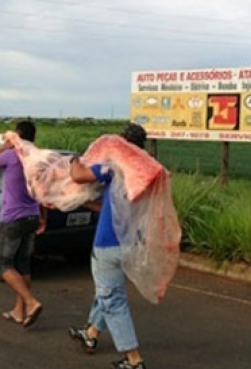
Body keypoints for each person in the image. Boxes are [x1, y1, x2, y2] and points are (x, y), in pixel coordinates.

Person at [67, 123, 148, 369]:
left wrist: (74, 160)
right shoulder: (144, 171)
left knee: (113, 299)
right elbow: (112, 206)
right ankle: (91, 333)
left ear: (122, 143)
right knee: (109, 288)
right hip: (133, 242)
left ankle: (134, 360)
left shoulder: (115, 167)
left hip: (109, 243)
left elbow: (78, 176)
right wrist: (83, 204)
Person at [0, 120, 46, 328]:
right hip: (32, 216)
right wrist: (43, 217)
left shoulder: (12, 155)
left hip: (13, 218)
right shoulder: (36, 159)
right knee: (22, 264)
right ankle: (19, 310)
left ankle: (31, 302)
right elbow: (42, 190)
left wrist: (4, 147)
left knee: (3, 265)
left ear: (16, 135)